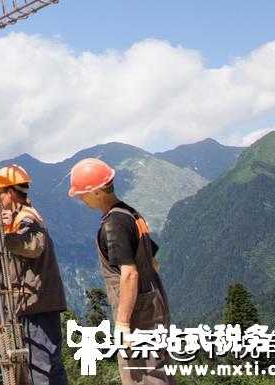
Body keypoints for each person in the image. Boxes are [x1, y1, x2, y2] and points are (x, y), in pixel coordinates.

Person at [69, 158, 175, 385]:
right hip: (155, 300)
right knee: (158, 369)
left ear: (97, 191)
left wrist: (124, 324)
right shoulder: (131, 214)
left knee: (141, 374)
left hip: (138, 311)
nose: (80, 198)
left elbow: (129, 274)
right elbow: (152, 262)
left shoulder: (113, 224)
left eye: (82, 193)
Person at [0, 164, 69, 385]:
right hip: (30, 305)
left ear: (11, 192)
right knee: (34, 369)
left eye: (0, 193)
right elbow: (4, 253)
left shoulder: (27, 218)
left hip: (36, 305)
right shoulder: (17, 219)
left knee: (43, 369)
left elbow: (32, 246)